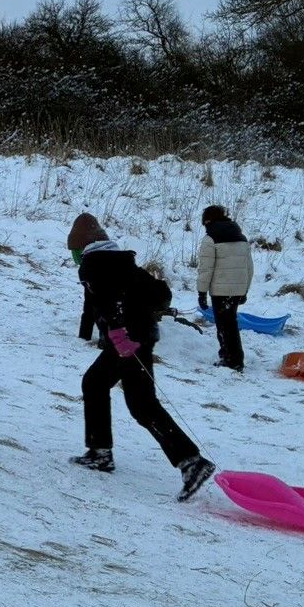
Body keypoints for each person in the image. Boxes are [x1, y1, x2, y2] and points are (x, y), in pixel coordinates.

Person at [68, 212, 214, 499]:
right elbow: (160, 295)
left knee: (97, 384)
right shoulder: (125, 262)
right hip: (143, 337)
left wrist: (120, 331)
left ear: (81, 248)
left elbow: (106, 301)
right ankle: (188, 462)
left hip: (126, 341)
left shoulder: (91, 266)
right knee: (140, 403)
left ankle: (104, 452)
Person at [195, 203, 255, 372]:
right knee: (230, 323)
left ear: (207, 220)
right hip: (237, 289)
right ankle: (230, 356)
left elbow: (206, 269)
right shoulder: (241, 237)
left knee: (224, 325)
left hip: (221, 290)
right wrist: (244, 290)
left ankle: (233, 360)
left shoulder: (210, 239)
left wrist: (201, 292)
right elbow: (249, 267)